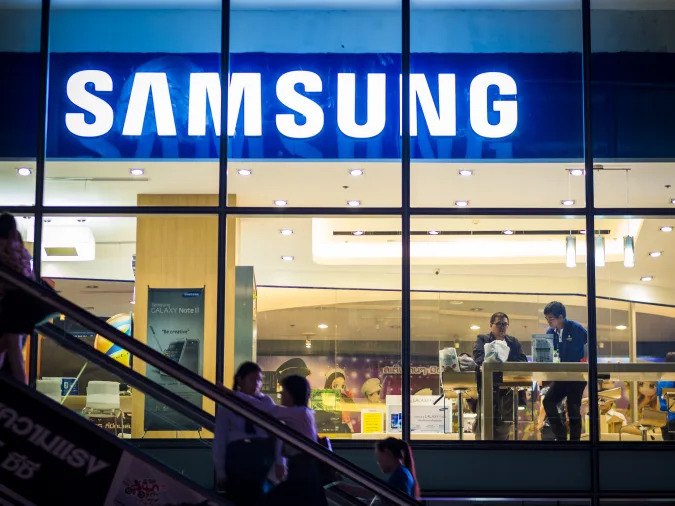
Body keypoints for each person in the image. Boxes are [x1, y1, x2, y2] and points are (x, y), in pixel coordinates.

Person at [213, 361, 280, 506]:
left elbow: (277, 433)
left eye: (259, 380)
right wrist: (220, 470)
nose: (256, 384)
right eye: (252, 379)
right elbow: (220, 436)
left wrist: (279, 463)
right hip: (238, 458)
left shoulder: (266, 401)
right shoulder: (228, 404)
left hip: (262, 457)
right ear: (240, 380)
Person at [264, 374, 327, 506]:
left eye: (284, 390)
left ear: (292, 393)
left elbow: (269, 411)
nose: (281, 393)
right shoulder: (304, 412)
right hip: (307, 469)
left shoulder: (297, 413)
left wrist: (231, 394)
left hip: (302, 469)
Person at [472, 312, 527, 440]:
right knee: (483, 428)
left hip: (507, 392)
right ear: (491, 325)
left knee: (503, 428)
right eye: (499, 324)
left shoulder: (513, 342)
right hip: (487, 389)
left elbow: (523, 362)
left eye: (505, 324)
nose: (502, 327)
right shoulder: (482, 339)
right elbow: (479, 359)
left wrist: (501, 364)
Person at [543, 301, 588, 441]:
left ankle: (575, 443)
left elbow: (589, 347)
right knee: (548, 401)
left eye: (551, 318)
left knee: (573, 409)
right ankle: (561, 435)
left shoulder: (576, 328)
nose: (548, 321)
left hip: (576, 377)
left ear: (561, 316)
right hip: (561, 377)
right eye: (547, 318)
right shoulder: (550, 332)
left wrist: (584, 362)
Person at [0, 213, 33, 385]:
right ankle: (23, 386)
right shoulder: (21, 250)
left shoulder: (2, 247)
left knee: (10, 346)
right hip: (22, 301)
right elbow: (29, 275)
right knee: (14, 345)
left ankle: (22, 388)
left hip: (8, 301)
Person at [657, 351, 675, 441]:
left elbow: (658, 402)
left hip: (665, 420)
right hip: (674, 418)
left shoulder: (662, 379)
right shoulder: (673, 378)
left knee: (668, 449)